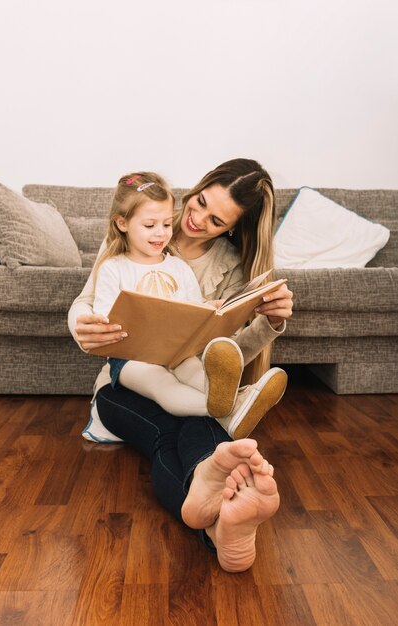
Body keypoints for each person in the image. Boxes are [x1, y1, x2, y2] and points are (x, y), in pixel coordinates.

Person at [68, 158, 293, 572]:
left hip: (188, 370)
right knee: (181, 427)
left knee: (198, 427)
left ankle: (218, 527)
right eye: (200, 201)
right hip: (123, 383)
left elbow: (220, 353)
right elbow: (89, 302)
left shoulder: (227, 265)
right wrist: (82, 328)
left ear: (231, 228)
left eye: (215, 220)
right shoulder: (141, 222)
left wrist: (268, 323)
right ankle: (228, 413)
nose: (194, 219)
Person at [90, 170, 288, 439]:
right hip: (132, 359)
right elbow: (101, 315)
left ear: (230, 228)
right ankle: (230, 411)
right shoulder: (115, 266)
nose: (161, 233)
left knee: (197, 370)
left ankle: (238, 399)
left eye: (166, 226)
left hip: (176, 353)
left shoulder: (178, 266)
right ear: (122, 224)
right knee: (162, 384)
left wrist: (212, 309)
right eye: (150, 226)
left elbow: (194, 309)